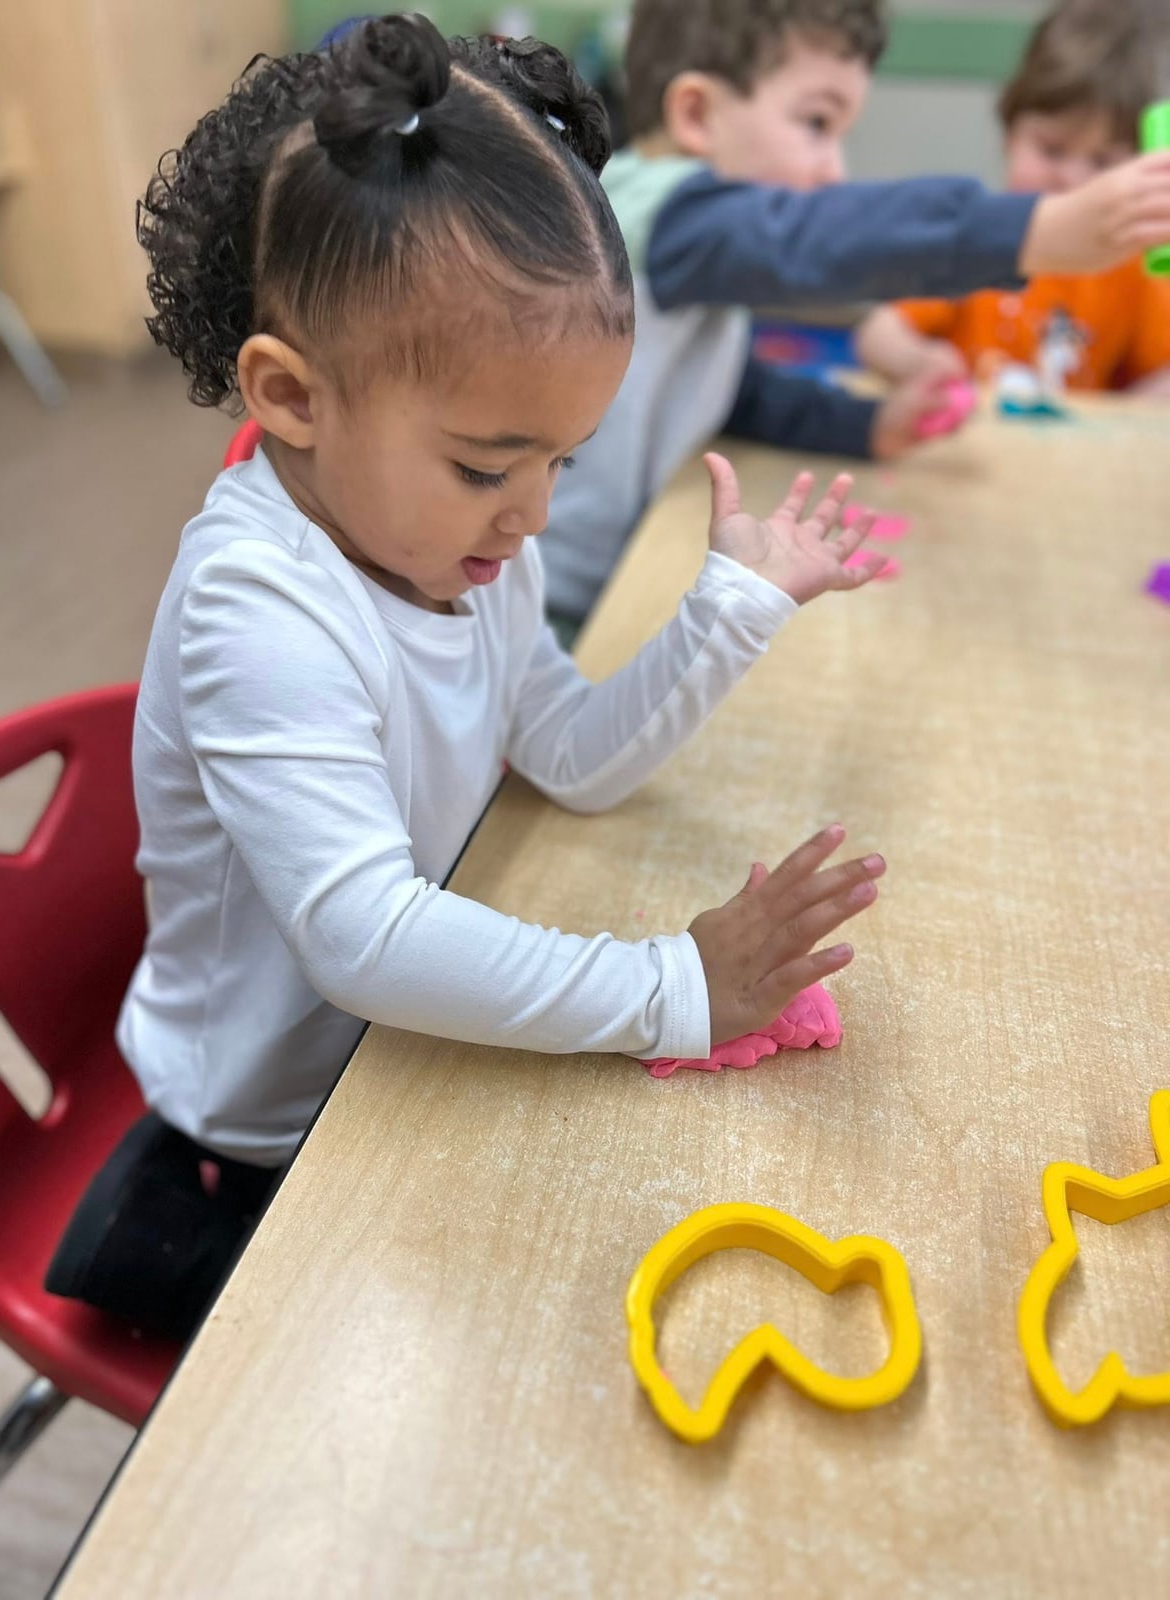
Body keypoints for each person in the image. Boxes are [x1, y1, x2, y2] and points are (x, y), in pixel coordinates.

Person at [45, 16, 889, 1340]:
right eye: (490, 465)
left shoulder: (447, 544)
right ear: (292, 394)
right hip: (263, 1133)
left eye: (563, 459)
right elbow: (368, 942)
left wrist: (729, 610)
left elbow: (564, 748)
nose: (533, 515)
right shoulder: (259, 609)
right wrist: (676, 988)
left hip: (389, 1060)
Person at [538, 0, 1170, 628]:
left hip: (616, 575)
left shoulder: (694, 254)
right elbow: (816, 236)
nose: (833, 169)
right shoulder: (662, 216)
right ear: (697, 114)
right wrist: (1036, 229)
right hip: (551, 602)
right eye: (817, 123)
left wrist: (868, 426)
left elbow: (730, 391)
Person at [858, 0, 1170, 397]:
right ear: (1009, 136)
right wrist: (921, 363)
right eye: (1052, 150)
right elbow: (878, 334)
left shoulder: (1134, 268)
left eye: (1102, 162)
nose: (1070, 179)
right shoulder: (976, 236)